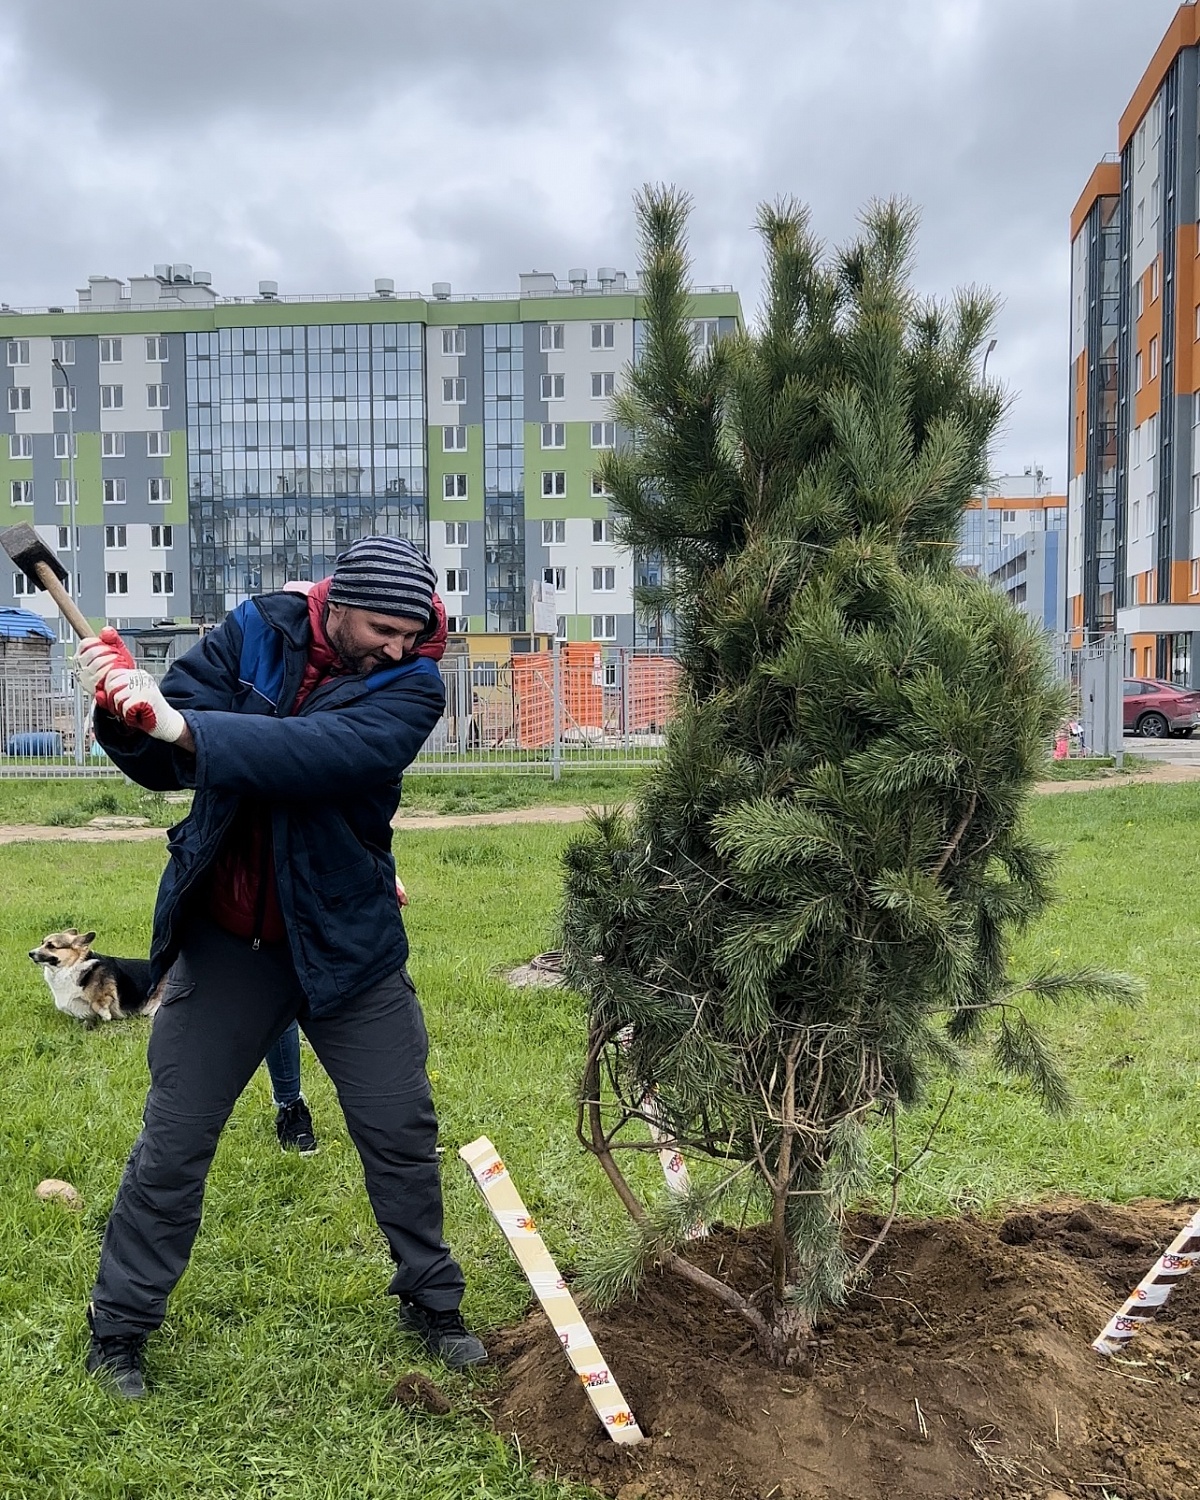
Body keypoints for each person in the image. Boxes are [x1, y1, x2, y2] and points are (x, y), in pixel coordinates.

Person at [74, 537, 485, 1399]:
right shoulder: (255, 630)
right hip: (231, 941)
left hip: (347, 944)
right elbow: (165, 751)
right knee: (174, 1141)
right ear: (336, 605)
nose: (401, 647)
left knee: (399, 1128)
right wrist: (122, 706)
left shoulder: (413, 685)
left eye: (414, 632)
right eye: (384, 628)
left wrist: (185, 726)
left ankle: (431, 1304)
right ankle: (118, 1329)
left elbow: (324, 757)